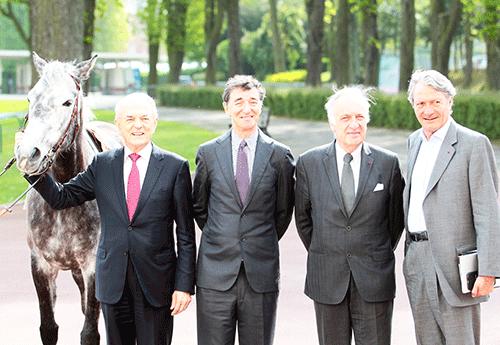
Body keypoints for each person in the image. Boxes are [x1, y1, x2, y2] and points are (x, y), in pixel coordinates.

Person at [16, 93, 196, 345]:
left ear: (155, 122)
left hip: (157, 285)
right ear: (118, 124)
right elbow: (61, 197)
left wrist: (184, 285)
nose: (138, 125)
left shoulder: (175, 167)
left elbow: (186, 235)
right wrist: (30, 166)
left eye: (145, 118)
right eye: (130, 119)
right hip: (113, 285)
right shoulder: (102, 165)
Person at [295, 86, 405, 345]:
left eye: (360, 117)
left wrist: (372, 252)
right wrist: (328, 249)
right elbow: (303, 220)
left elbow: (395, 222)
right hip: (327, 279)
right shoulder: (308, 163)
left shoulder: (387, 163)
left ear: (367, 119)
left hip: (374, 281)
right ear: (332, 123)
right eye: (345, 118)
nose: (354, 124)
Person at [192, 75, 295, 345]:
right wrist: (225, 234)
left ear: (261, 106)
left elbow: (283, 212)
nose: (246, 108)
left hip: (260, 275)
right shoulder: (208, 153)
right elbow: (200, 208)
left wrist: (256, 238)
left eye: (253, 101)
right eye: (238, 101)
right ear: (227, 107)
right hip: (214, 275)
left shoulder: (280, 155)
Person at [403, 69, 500, 344]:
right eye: (420, 103)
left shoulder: (473, 144)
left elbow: (488, 213)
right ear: (413, 105)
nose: (428, 110)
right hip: (418, 262)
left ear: (449, 101)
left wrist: (489, 270)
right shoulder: (413, 142)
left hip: (457, 267)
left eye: (435, 101)